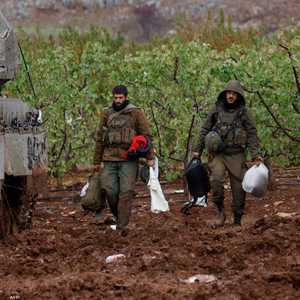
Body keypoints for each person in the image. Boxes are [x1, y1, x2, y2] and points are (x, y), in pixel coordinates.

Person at [194, 80, 263, 227]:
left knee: (239, 188)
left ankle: (238, 218)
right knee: (216, 180)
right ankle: (220, 212)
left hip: (236, 154)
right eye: (229, 93)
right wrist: (197, 151)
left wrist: (256, 154)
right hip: (218, 154)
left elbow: (252, 133)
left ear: (238, 96)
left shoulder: (244, 113)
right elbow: (204, 130)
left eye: (234, 94)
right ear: (225, 94)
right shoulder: (216, 110)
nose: (231, 96)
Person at [93, 85, 153, 235]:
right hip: (109, 158)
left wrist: (149, 157)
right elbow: (100, 138)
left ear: (126, 97)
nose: (118, 100)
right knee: (109, 189)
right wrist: (96, 161)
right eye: (115, 98)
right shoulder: (106, 113)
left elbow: (146, 136)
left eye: (121, 98)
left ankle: (122, 226)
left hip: (129, 158)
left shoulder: (135, 112)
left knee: (126, 191)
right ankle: (119, 216)